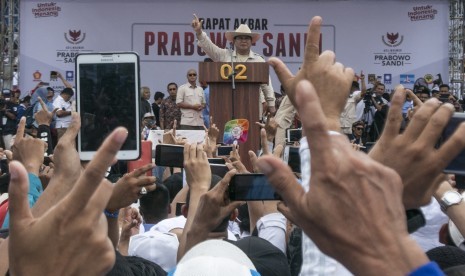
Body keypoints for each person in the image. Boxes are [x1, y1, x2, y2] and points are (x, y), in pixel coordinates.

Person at [191, 15, 276, 115]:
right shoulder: (225, 55)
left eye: (246, 38)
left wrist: (271, 106)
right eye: (240, 38)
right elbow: (210, 47)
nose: (243, 41)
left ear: (251, 42)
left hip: (252, 108)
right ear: (234, 41)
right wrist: (199, 32)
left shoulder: (259, 60)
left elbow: (266, 86)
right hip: (227, 107)